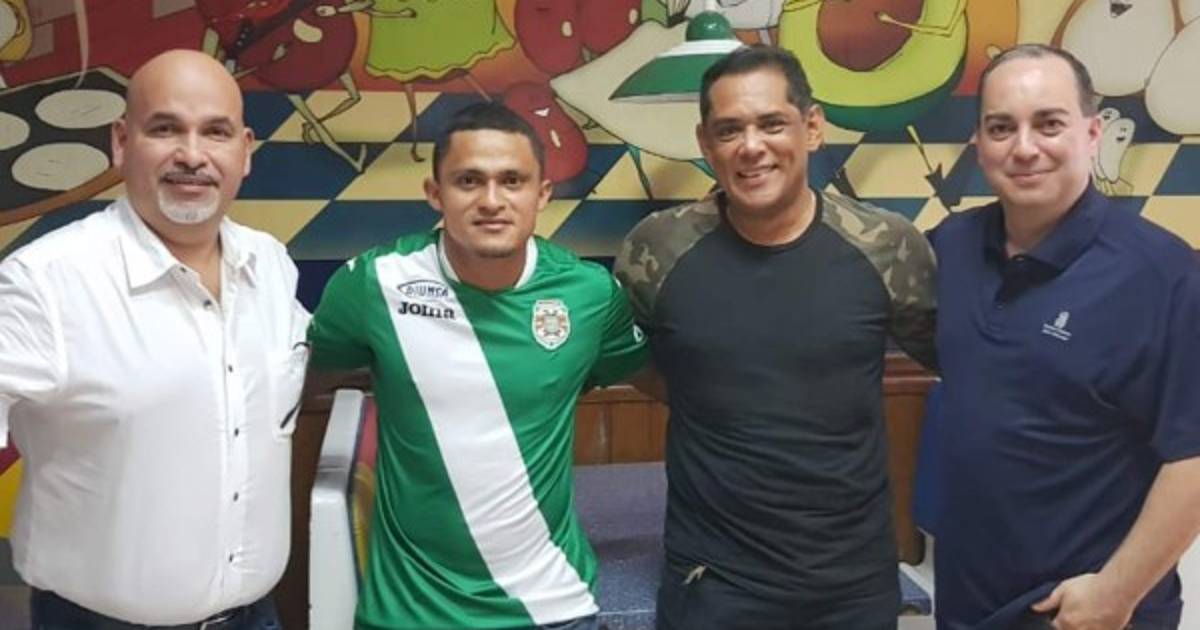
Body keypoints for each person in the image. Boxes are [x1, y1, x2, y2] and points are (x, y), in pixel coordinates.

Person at [613, 45, 937, 630]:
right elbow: (632, 361)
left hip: (853, 585)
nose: (751, 146)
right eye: (729, 130)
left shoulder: (886, 246)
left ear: (811, 127)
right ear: (706, 143)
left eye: (771, 124)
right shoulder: (655, 250)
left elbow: (960, 359)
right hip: (713, 586)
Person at [306, 101, 648, 630]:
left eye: (512, 181)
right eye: (469, 181)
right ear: (435, 193)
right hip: (410, 615)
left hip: (554, 610)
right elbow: (303, 385)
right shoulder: (375, 284)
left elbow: (663, 384)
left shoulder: (589, 295)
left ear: (542, 194)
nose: (492, 201)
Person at [0, 49, 308, 628]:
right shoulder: (46, 283)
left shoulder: (269, 264)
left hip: (255, 617)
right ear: (122, 143)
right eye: (165, 129)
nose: (192, 155)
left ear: (245, 151)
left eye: (215, 132)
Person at [926, 44, 1200, 630]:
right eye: (1002, 127)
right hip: (968, 601)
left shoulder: (1165, 276)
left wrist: (1115, 594)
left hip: (1086, 611)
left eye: (1049, 124)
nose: (1024, 148)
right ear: (979, 142)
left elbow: (1194, 457)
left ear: (1093, 133)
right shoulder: (951, 246)